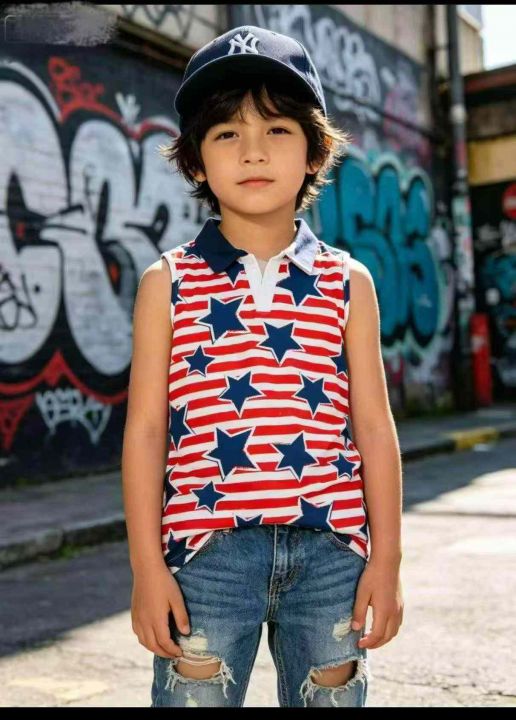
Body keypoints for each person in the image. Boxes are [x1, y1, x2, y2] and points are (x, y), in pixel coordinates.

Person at [122, 25, 404, 708]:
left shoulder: (348, 281)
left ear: (314, 152)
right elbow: (146, 432)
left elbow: (374, 426)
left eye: (277, 129)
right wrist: (145, 568)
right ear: (196, 161)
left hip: (332, 555)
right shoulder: (168, 282)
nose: (253, 151)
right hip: (206, 556)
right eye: (226, 133)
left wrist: (388, 561)